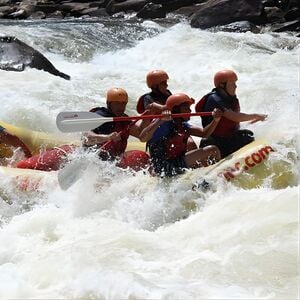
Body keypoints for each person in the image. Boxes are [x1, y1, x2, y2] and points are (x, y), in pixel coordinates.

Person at [139, 93, 222, 177]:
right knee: (213, 150)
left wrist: (215, 120)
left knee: (202, 150)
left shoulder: (182, 125)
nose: (190, 111)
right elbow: (142, 138)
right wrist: (160, 120)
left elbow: (204, 133)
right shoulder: (163, 125)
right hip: (164, 167)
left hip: (175, 162)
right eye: (186, 108)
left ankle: (209, 176)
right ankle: (216, 176)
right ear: (175, 110)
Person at [195, 70, 268, 158]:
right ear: (222, 85)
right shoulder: (214, 99)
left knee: (247, 135)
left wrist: (253, 120)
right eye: (232, 83)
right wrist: (256, 115)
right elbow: (234, 117)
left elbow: (233, 122)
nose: (236, 86)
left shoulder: (229, 98)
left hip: (228, 139)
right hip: (215, 142)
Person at [82, 88, 149, 170]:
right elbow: (87, 137)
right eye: (117, 103)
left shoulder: (123, 119)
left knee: (141, 157)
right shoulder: (98, 116)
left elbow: (141, 135)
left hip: (113, 162)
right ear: (109, 103)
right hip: (94, 160)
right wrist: (107, 137)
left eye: (123, 103)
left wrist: (153, 118)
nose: (121, 107)